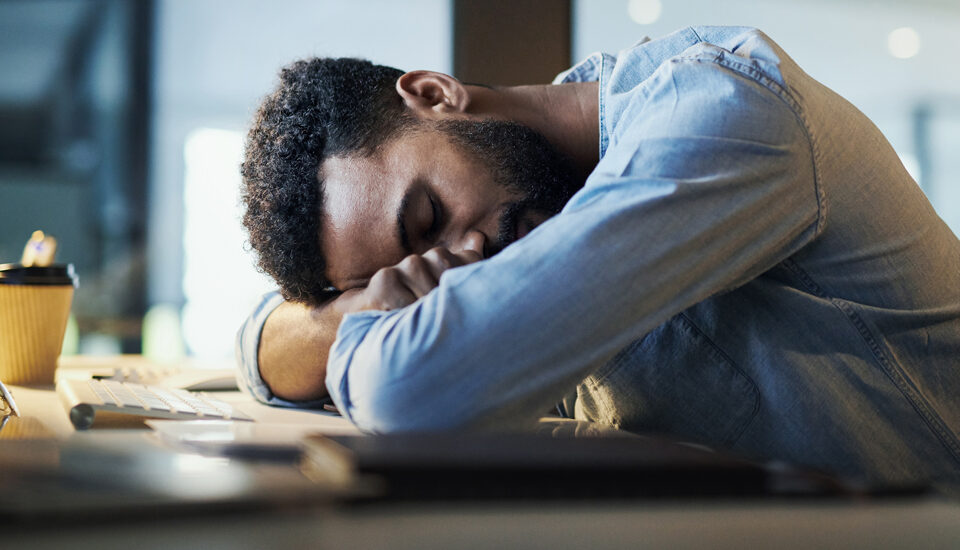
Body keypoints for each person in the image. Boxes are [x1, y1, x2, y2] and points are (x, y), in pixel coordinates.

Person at [236, 26, 960, 490]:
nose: (463, 257)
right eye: (412, 266)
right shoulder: (536, 205)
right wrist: (367, 311)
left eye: (427, 215)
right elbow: (259, 347)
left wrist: (375, 321)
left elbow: (410, 391)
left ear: (436, 95)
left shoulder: (724, 115)